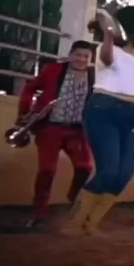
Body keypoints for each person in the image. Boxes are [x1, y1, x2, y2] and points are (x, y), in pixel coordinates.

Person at [65, 7, 134, 236]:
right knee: (108, 171)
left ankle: (91, 222)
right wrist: (108, 33)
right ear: (132, 23)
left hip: (131, 113)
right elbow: (107, 58)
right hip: (103, 109)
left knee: (124, 174)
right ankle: (75, 223)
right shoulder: (108, 48)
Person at [18, 41, 95, 229]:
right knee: (46, 172)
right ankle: (40, 214)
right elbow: (30, 87)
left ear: (91, 59)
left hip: (78, 131)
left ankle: (73, 197)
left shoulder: (95, 77)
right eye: (78, 55)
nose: (81, 59)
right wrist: (25, 112)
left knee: (85, 168)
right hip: (50, 128)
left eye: (86, 56)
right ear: (70, 55)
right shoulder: (53, 70)